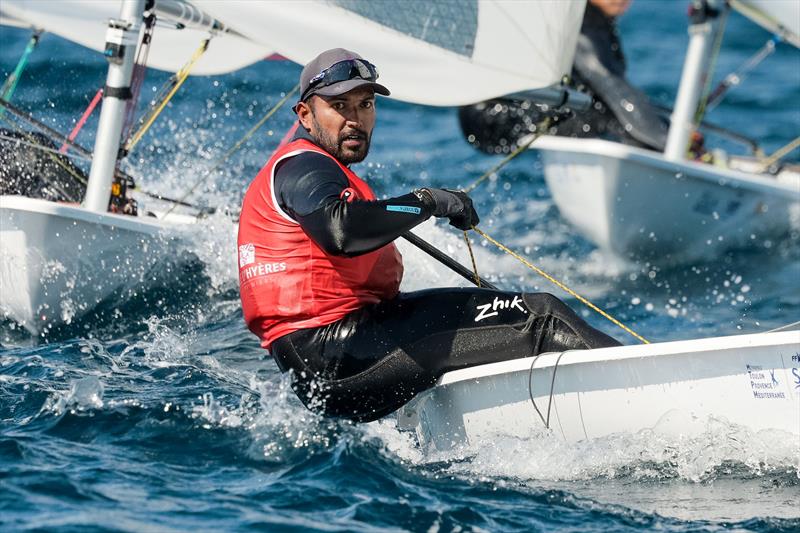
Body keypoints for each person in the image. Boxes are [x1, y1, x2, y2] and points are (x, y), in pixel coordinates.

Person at [238, 48, 621, 423]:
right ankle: (649, 388)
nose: (355, 119)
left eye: (365, 105)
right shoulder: (303, 165)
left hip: (334, 358)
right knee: (541, 318)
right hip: (335, 353)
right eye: (340, 107)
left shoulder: (323, 173)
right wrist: (426, 202)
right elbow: (341, 230)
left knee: (506, 317)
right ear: (305, 115)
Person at [459, 0, 669, 154]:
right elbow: (614, 89)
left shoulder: (592, 17)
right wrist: (672, 145)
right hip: (491, 115)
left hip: (498, 109)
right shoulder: (581, 20)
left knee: (617, 117)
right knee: (611, 121)